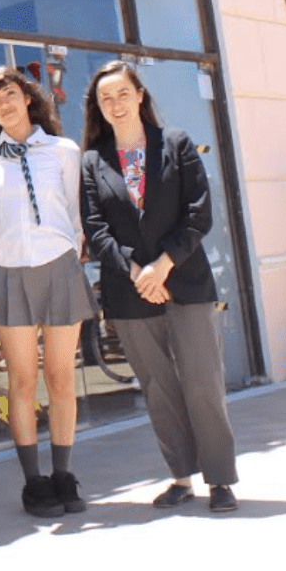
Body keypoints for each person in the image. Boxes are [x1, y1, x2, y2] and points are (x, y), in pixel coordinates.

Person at [79, 60, 239, 513]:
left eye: (122, 94)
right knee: (158, 388)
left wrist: (162, 266)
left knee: (203, 383)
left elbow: (199, 214)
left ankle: (220, 480)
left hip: (185, 280)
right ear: (98, 107)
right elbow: (96, 230)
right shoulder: (92, 161)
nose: (115, 104)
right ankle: (181, 478)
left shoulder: (176, 143)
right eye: (105, 98)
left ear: (139, 96)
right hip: (129, 290)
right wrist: (138, 272)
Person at [0, 67, 93, 519]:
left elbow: (76, 212)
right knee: (22, 382)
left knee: (61, 378)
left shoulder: (63, 150)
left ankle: (63, 474)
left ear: (28, 98)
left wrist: (74, 254)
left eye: (9, 94)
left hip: (59, 268)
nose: (3, 104)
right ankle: (34, 482)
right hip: (8, 274)